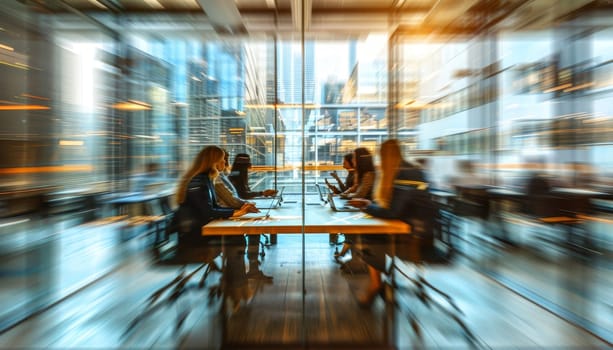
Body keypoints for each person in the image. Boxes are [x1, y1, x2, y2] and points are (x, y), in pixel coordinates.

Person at [175, 146, 258, 311]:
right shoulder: (199, 182)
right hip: (195, 238)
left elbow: (210, 209)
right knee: (236, 240)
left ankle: (236, 288)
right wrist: (236, 212)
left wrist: (235, 213)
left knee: (236, 238)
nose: (224, 162)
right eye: (221, 159)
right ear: (212, 162)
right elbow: (208, 211)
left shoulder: (204, 179)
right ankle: (236, 289)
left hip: (198, 231)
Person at [348, 139, 428, 307]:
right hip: (418, 232)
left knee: (364, 236)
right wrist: (370, 205)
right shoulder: (409, 170)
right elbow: (395, 207)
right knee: (362, 234)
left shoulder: (405, 174)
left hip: (414, 239)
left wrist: (368, 206)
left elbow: (392, 212)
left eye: (380, 156)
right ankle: (381, 282)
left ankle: (377, 284)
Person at [215, 150, 273, 282]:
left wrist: (252, 200)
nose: (226, 161)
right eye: (224, 158)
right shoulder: (224, 176)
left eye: (227, 158)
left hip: (234, 210)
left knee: (255, 227)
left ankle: (252, 267)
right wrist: (250, 202)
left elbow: (238, 195)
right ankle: (251, 268)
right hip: (230, 214)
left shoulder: (225, 175)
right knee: (254, 228)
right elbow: (234, 198)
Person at [229, 153, 278, 275]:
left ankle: (253, 264)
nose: (250, 166)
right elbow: (243, 195)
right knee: (254, 229)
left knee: (257, 225)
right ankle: (253, 266)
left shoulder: (239, 174)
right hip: (237, 210)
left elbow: (245, 193)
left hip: (240, 207)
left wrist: (262, 194)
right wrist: (262, 193)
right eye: (248, 163)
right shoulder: (237, 175)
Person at [334, 147, 376, 264]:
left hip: (368, 214)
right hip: (365, 211)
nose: (352, 160)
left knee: (349, 227)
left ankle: (356, 260)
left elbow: (359, 195)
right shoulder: (365, 174)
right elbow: (355, 194)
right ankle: (352, 257)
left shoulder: (369, 175)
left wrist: (345, 194)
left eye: (354, 157)